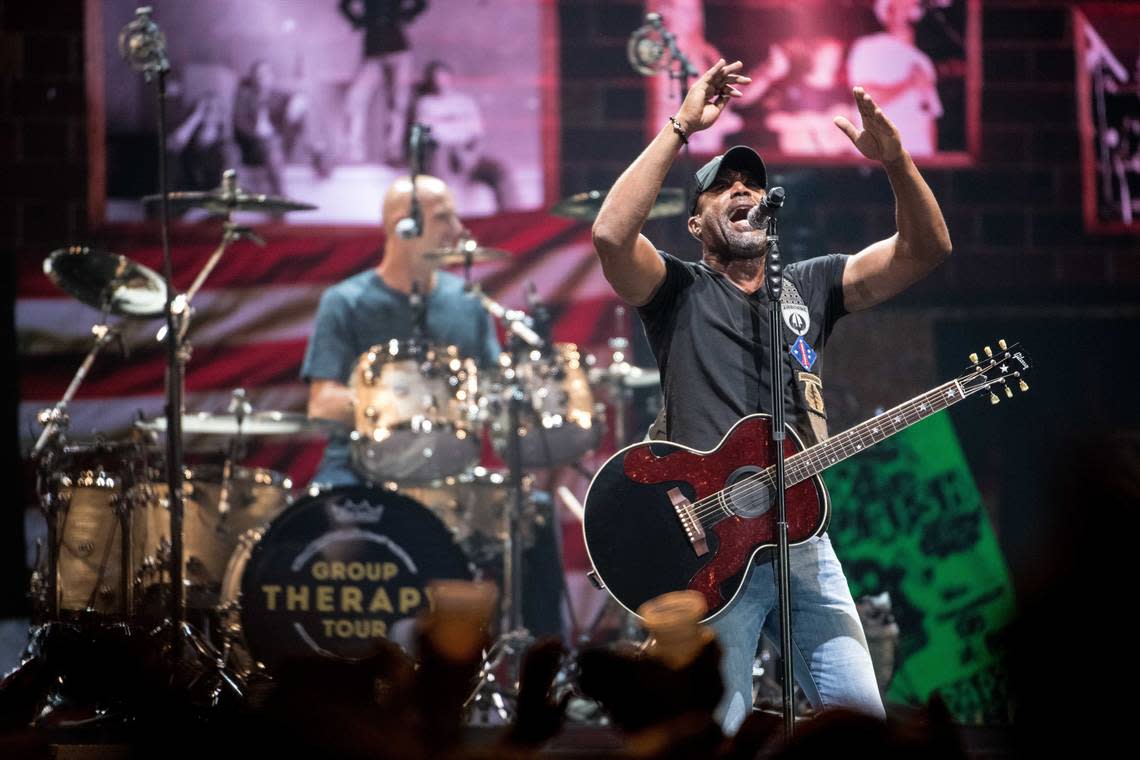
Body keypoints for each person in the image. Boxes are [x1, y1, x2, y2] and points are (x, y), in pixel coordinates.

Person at [590, 59, 952, 732]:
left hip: (801, 539)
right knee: (708, 733)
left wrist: (897, 160)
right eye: (722, 187)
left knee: (862, 726)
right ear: (695, 224)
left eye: (751, 183)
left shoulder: (808, 286)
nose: (742, 191)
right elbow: (611, 235)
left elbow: (925, 251)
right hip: (709, 558)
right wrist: (679, 127)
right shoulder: (678, 291)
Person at [301, 175, 564, 638]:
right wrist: (401, 408)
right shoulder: (343, 301)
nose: (458, 228)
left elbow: (489, 387)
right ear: (402, 224)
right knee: (326, 528)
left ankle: (554, 674)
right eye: (443, 217)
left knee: (534, 512)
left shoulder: (467, 303)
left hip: (448, 475)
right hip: (358, 470)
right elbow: (321, 402)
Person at [846, 0, 943, 156]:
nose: (909, 8)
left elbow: (929, 117)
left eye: (912, 4)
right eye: (901, 5)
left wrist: (931, 160)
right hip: (879, 157)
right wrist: (909, 83)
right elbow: (866, 100)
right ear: (887, 13)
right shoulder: (868, 47)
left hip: (916, 159)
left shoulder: (923, 61)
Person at [339, 0, 428, 164]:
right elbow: (344, 5)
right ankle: (353, 152)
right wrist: (360, 21)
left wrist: (403, 17)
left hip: (398, 50)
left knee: (398, 103)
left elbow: (421, 3)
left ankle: (393, 151)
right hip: (374, 51)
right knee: (355, 99)